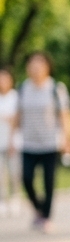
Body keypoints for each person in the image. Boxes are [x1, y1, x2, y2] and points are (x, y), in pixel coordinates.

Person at [14, 51, 70, 233]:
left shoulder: (56, 88)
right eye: (32, 64)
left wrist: (68, 140)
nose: (36, 67)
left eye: (40, 64)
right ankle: (38, 208)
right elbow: (18, 115)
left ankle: (46, 217)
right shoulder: (23, 88)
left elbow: (65, 116)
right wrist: (12, 139)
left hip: (50, 143)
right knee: (26, 179)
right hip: (28, 143)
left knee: (49, 182)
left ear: (48, 67)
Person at [0, 67, 20, 216]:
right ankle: (2, 201)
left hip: (14, 142)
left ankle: (15, 199)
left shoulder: (16, 97)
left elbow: (17, 119)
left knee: (14, 173)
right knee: (0, 175)